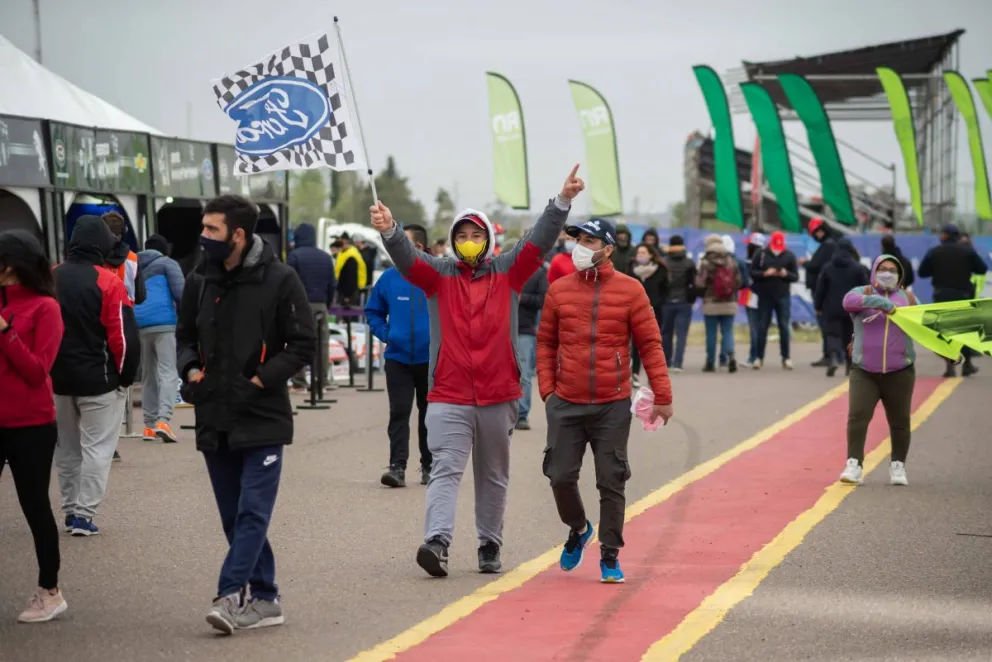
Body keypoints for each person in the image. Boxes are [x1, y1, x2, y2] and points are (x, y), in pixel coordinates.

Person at [370, 164, 584, 578]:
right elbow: (407, 258)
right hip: (448, 394)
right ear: (452, 241)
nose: (469, 241)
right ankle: (437, 542)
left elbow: (539, 241)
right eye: (462, 235)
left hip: (499, 394)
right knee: (445, 469)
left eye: (476, 234)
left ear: (488, 239)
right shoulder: (437, 276)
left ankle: (489, 543)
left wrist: (562, 202)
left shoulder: (510, 271)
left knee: (493, 475)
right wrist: (390, 229)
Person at [176, 195, 315, 634]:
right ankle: (267, 598)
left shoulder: (281, 278)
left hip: (262, 415)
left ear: (237, 234)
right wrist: (191, 370)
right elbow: (185, 336)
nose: (203, 236)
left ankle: (230, 593)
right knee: (234, 518)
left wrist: (260, 379)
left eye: (212, 229)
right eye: (203, 227)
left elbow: (303, 344)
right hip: (213, 414)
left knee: (253, 513)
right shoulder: (199, 280)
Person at [537, 217, 674, 583]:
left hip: (612, 404)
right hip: (565, 401)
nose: (580, 246)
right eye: (578, 239)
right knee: (559, 476)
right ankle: (579, 528)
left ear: (608, 249)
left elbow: (650, 344)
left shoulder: (631, 290)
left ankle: (610, 555)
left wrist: (662, 395)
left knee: (611, 479)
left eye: (590, 241)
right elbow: (546, 343)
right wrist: (548, 390)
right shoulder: (559, 290)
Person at [51, 216, 140, 536]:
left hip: (57, 379)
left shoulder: (50, 277)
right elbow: (122, 338)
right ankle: (84, 516)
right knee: (97, 449)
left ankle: (69, 509)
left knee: (66, 449)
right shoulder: (108, 282)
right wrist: (125, 378)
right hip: (99, 381)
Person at [0, 230, 68, 623]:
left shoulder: (46, 308)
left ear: (11, 265)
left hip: (32, 424)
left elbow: (36, 370)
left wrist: (5, 332)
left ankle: (50, 590)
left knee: (34, 505)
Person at [365, 224, 433, 487]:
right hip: (398, 359)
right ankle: (397, 467)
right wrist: (388, 334)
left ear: (419, 247)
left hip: (431, 360)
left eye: (402, 243)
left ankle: (429, 466)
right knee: (399, 412)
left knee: (430, 414)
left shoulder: (436, 275)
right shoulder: (389, 278)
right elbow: (373, 312)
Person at [840, 255, 917, 486]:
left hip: (900, 371)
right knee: (857, 416)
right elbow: (847, 302)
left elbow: (927, 328)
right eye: (883, 268)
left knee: (900, 421)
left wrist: (948, 352)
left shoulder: (908, 298)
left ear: (900, 274)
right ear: (874, 271)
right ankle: (854, 464)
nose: (887, 273)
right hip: (864, 370)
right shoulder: (861, 292)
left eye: (893, 270)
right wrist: (882, 304)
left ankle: (898, 465)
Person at [917, 223, 988, 377]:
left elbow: (922, 272)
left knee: (945, 332)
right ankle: (967, 364)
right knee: (965, 331)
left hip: (941, 295)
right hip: (962, 296)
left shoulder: (934, 252)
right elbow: (982, 269)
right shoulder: (968, 252)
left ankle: (950, 366)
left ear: (944, 236)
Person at [134, 234, 184, 443]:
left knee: (148, 375)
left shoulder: (135, 266)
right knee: (167, 371)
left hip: (141, 323)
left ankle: (149, 426)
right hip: (164, 324)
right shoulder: (167, 263)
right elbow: (181, 293)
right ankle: (164, 421)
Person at [287, 222, 336, 392]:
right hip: (321, 305)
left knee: (298, 343)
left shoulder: (294, 256)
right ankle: (321, 381)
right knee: (322, 344)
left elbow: (289, 283)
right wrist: (326, 303)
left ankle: (299, 382)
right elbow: (332, 284)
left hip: (300, 306)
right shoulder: (326, 257)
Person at [814, 239, 869, 377]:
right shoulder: (858, 268)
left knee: (832, 334)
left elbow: (820, 289)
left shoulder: (828, 267)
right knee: (850, 336)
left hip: (832, 307)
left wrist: (818, 306)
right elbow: (866, 289)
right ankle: (849, 365)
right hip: (852, 308)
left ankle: (833, 358)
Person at [750, 231, 798, 370]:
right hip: (765, 296)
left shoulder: (789, 255)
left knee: (784, 326)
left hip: (783, 296)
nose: (778, 249)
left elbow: (795, 276)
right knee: (762, 326)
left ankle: (786, 357)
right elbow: (752, 272)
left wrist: (785, 274)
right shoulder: (761, 254)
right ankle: (759, 357)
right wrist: (765, 273)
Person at [696, 234, 743, 373]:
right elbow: (738, 281)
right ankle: (731, 357)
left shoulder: (705, 262)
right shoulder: (731, 260)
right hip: (729, 302)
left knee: (711, 334)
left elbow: (700, 283)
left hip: (711, 303)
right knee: (727, 331)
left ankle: (710, 363)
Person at [514, 256, 549, 431]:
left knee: (524, 374)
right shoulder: (505, 270)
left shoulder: (538, 274)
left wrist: (523, 298)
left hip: (524, 330)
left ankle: (521, 415)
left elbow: (543, 300)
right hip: (500, 329)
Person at [801, 218, 839, 367]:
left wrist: (805, 263)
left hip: (823, 292)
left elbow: (816, 265)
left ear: (821, 231)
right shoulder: (832, 244)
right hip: (827, 291)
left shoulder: (828, 246)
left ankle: (830, 355)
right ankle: (834, 354)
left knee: (826, 324)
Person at [630, 243, 667, 387]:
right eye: (638, 252)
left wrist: (658, 302)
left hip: (654, 312)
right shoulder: (631, 269)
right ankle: (635, 374)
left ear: (651, 255)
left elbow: (665, 290)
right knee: (636, 344)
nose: (640, 255)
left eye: (643, 252)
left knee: (652, 344)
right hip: (635, 311)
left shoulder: (660, 270)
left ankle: (654, 376)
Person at [660, 235, 696, 372]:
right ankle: (678, 364)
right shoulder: (689, 263)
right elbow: (693, 283)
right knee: (681, 334)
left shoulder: (664, 262)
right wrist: (691, 299)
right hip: (684, 301)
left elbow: (661, 283)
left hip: (667, 302)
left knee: (666, 333)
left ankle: (667, 361)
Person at [101, 211, 146, 305]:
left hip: (100, 312)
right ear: (124, 233)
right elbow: (140, 297)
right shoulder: (133, 259)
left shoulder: (94, 257)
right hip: (126, 312)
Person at [717, 234, 748, 368]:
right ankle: (727, 355)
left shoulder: (712, 260)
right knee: (727, 329)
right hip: (731, 299)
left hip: (713, 299)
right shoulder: (738, 262)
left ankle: (713, 359)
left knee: (712, 331)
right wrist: (733, 288)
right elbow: (745, 282)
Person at [739, 233, 764, 368]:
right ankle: (758, 356)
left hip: (751, 297)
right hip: (764, 297)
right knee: (759, 328)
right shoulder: (766, 261)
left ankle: (753, 357)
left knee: (754, 328)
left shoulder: (748, 263)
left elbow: (744, 282)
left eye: (749, 245)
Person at [331, 233, 367, 306]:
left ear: (346, 242)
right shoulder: (343, 252)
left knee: (348, 310)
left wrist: (347, 295)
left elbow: (351, 278)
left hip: (349, 292)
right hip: (342, 287)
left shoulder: (351, 255)